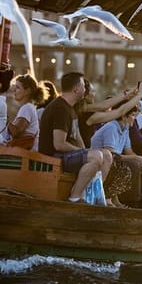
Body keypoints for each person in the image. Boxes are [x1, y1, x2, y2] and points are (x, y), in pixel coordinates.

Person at [38, 72, 112, 204]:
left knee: (105, 155)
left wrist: (84, 151)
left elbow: (77, 139)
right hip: (53, 157)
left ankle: (91, 196)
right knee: (96, 156)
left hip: (64, 155)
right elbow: (59, 144)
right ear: (76, 88)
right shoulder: (60, 108)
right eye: (84, 86)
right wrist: (83, 152)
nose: (86, 90)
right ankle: (75, 197)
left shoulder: (70, 109)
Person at [90, 103, 142, 208]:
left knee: (140, 164)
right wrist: (136, 158)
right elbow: (109, 154)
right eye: (132, 115)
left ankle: (116, 199)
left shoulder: (126, 128)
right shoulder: (112, 127)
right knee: (125, 166)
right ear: (124, 116)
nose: (134, 118)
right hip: (99, 158)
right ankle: (130, 201)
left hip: (113, 158)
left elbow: (129, 151)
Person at [77, 81, 142, 148]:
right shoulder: (86, 114)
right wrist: (139, 95)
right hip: (85, 154)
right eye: (92, 91)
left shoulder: (84, 109)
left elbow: (105, 105)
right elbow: (119, 111)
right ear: (85, 95)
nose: (95, 93)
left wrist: (131, 91)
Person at [7, 74, 48, 151]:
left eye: (18, 87)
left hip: (24, 155)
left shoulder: (27, 108)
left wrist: (3, 118)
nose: (14, 90)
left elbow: (16, 132)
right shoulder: (29, 107)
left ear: (27, 91)